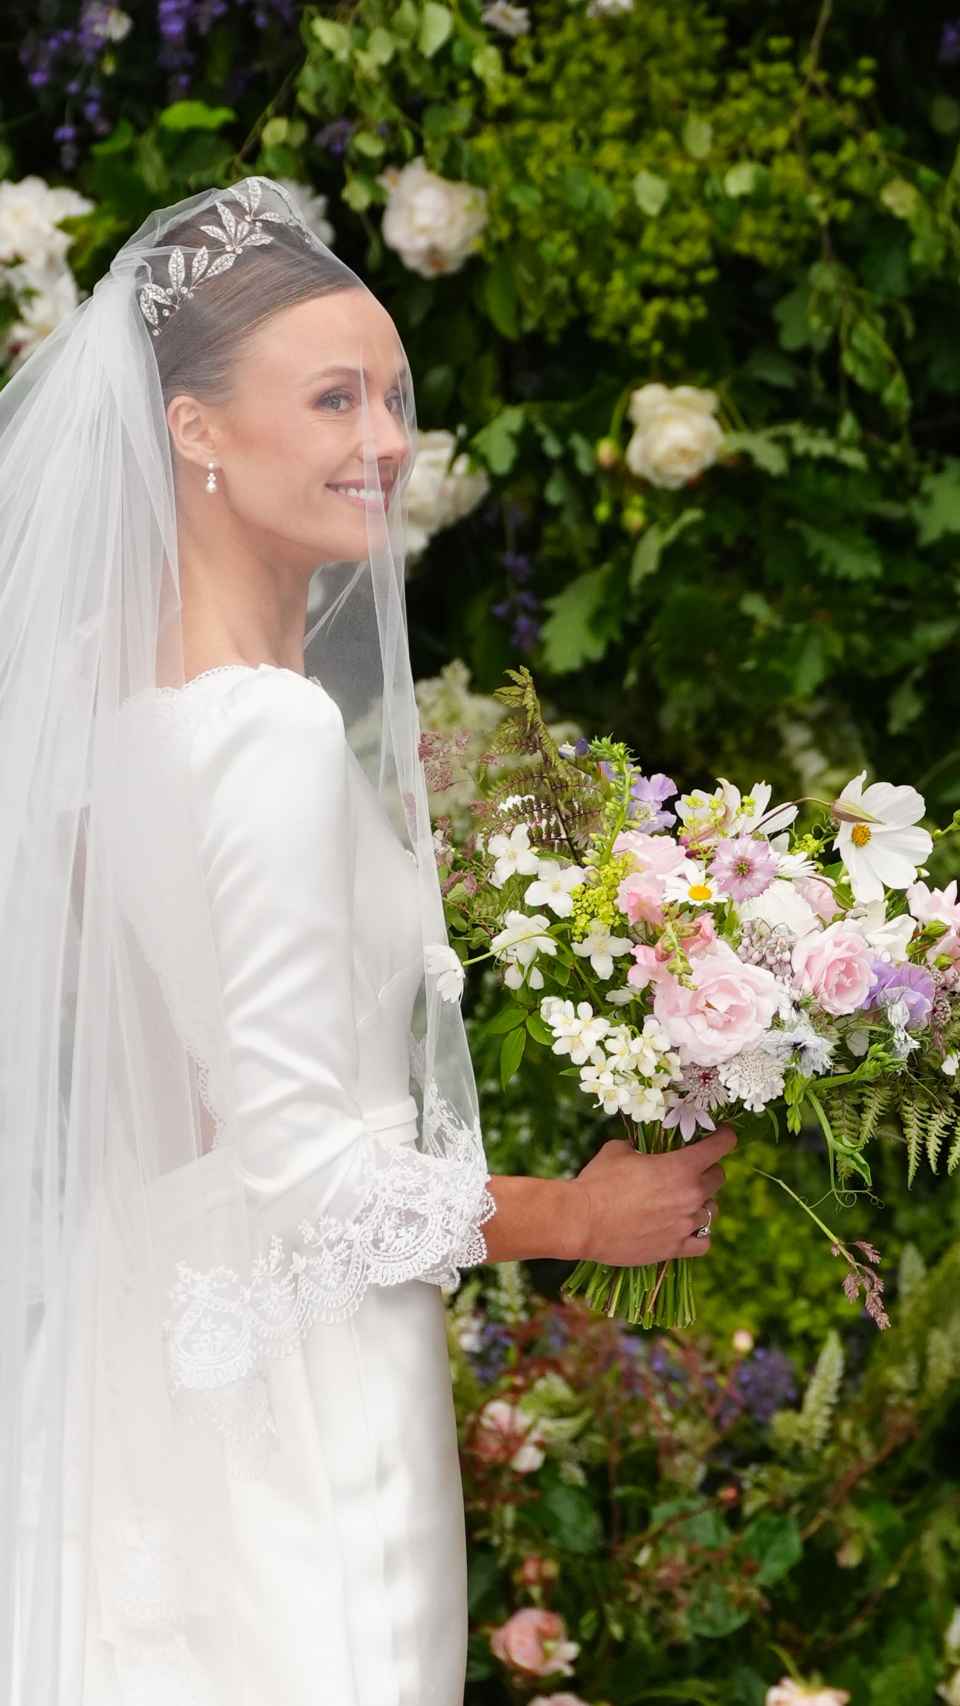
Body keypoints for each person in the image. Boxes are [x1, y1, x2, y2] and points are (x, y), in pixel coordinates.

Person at [0, 174, 733, 1705]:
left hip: (160, 1367)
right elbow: (313, 1176)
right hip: (301, 1401)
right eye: (332, 398)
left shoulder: (124, 718)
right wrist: (583, 1218)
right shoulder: (261, 731)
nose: (385, 440)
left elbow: (179, 1104)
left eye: (393, 395)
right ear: (193, 428)